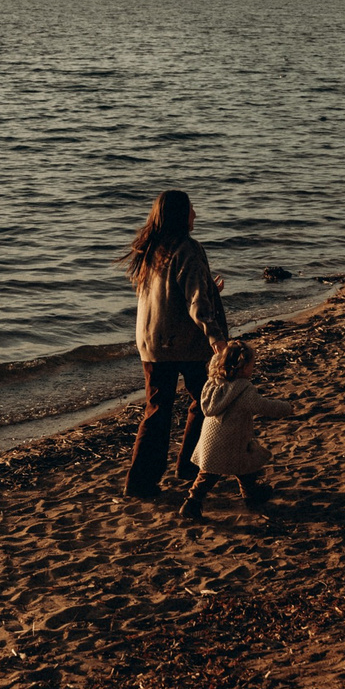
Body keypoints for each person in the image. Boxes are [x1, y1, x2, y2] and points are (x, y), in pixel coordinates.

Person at [121, 189, 230, 497]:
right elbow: (196, 302)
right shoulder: (188, 249)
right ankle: (190, 465)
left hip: (151, 342)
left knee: (157, 410)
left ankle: (140, 482)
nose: (196, 214)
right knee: (207, 401)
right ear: (181, 215)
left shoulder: (152, 248)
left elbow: (172, 294)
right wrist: (218, 341)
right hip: (184, 343)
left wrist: (210, 288)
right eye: (192, 208)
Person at [182, 339, 287, 521]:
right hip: (233, 441)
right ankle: (193, 503)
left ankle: (248, 495)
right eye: (251, 365)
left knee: (230, 470)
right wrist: (286, 408)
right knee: (230, 470)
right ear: (242, 367)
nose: (252, 369)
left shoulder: (213, 383)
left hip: (211, 440)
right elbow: (262, 406)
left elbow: (215, 364)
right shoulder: (243, 389)